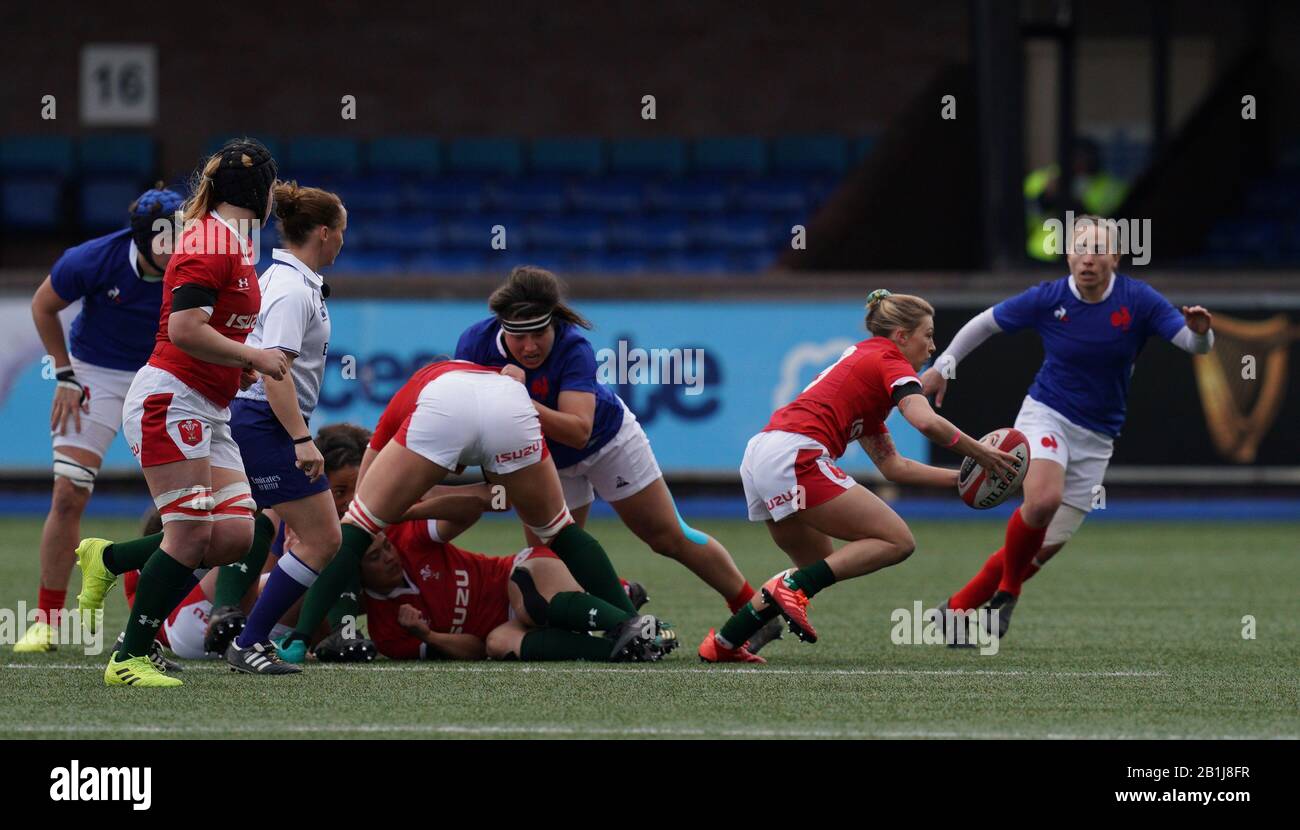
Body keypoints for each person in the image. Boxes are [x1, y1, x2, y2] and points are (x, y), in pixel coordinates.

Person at [456, 266, 779, 649]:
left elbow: (578, 429)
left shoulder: (573, 346)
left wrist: (516, 398)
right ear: (500, 328)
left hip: (607, 443)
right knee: (548, 559)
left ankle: (753, 613)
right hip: (543, 459)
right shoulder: (474, 345)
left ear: (553, 323)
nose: (529, 347)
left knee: (667, 537)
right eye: (518, 336)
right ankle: (622, 596)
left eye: (538, 334)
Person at [924, 215, 1215, 639]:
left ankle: (954, 612)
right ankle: (1007, 598)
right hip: (1047, 413)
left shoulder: (1139, 301)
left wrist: (1202, 333)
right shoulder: (1049, 297)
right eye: (1080, 249)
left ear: (1115, 257)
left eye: (1098, 250)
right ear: (1067, 256)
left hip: (1098, 437)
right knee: (1042, 502)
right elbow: (986, 322)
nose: (1088, 259)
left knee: (1039, 550)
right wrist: (945, 365)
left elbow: (1193, 344)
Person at [279, 357, 678, 661]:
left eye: (345, 489)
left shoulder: (405, 419)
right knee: (557, 532)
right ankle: (629, 624)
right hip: (509, 405)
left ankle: (293, 641)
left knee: (358, 528)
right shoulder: (465, 377)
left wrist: (386, 516)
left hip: (449, 410)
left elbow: (361, 526)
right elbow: (487, 498)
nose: (344, 499)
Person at [698, 290, 1020, 663]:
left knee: (816, 563)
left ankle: (723, 644)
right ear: (901, 335)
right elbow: (925, 421)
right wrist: (982, 454)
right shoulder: (889, 358)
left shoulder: (866, 367)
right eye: (927, 335)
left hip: (762, 454)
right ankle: (791, 590)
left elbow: (893, 467)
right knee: (897, 541)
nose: (932, 347)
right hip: (794, 454)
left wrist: (962, 480)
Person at [74, 138, 289, 687]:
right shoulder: (211, 242)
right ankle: (130, 657)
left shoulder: (235, 245)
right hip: (171, 399)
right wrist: (254, 357)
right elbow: (183, 330)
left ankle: (111, 558)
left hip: (207, 403)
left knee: (238, 535)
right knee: (191, 534)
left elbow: (210, 329)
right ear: (261, 193)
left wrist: (234, 369)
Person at [14, 187, 184, 653]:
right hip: (96, 375)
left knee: (188, 503)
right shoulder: (91, 259)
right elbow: (43, 305)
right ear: (142, 238)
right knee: (68, 493)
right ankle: (47, 621)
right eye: (166, 238)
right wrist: (65, 373)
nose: (178, 246)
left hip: (166, 373)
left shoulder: (197, 261)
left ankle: (175, 617)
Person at [209, 182, 348, 675]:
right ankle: (250, 642)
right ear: (326, 233)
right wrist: (302, 439)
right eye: (341, 233)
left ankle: (135, 618)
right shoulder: (292, 289)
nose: (342, 244)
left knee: (213, 533)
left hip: (255, 418)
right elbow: (275, 371)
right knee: (322, 539)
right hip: (264, 422)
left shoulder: (278, 279)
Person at [363, 517, 665, 662]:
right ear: (358, 572)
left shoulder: (409, 538)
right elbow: (476, 649)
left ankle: (628, 622)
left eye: (386, 546)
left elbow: (473, 506)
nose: (390, 557)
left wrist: (416, 506)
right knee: (497, 644)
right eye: (375, 557)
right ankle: (625, 651)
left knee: (531, 606)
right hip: (505, 626)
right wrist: (427, 635)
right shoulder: (387, 632)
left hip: (518, 573)